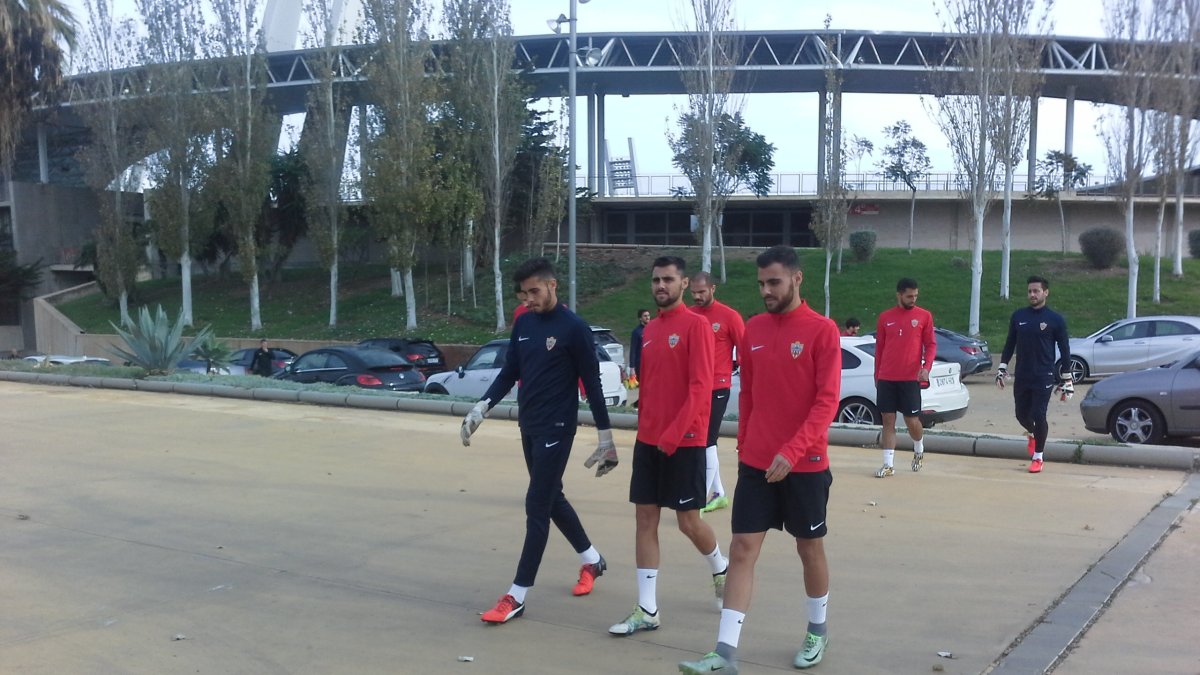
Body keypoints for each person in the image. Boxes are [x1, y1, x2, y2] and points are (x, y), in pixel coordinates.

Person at [679, 245, 840, 674]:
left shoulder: (822, 331)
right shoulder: (754, 329)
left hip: (804, 465)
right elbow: (747, 394)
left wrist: (793, 450)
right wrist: (746, 444)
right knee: (743, 548)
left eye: (774, 282)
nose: (767, 290)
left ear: (796, 279)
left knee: (809, 548)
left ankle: (817, 631)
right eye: (762, 284)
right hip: (757, 464)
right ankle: (725, 652)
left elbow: (826, 403)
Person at [459, 257, 620, 625]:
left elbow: (591, 384)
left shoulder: (574, 328)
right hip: (529, 425)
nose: (528, 299)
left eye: (534, 291)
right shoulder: (524, 322)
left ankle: (516, 595)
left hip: (558, 427)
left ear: (552, 286)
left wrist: (605, 435)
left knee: (536, 504)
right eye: (523, 293)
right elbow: (510, 370)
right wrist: (482, 406)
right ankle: (593, 561)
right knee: (551, 498)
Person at [608, 255, 728, 637]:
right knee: (645, 519)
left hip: (684, 442)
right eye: (656, 280)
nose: (661, 286)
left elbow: (700, 388)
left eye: (668, 280)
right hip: (648, 441)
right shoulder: (649, 331)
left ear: (683, 283)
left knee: (688, 522)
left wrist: (674, 434)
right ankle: (647, 608)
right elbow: (649, 386)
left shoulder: (696, 326)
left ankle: (720, 568)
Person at [996, 275, 1072, 474]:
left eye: (1036, 291)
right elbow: (1009, 343)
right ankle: (1032, 433)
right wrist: (1002, 367)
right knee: (1021, 415)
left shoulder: (1055, 320)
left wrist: (1067, 378)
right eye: (1030, 291)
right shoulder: (1019, 316)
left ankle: (1038, 457)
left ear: (1045, 292)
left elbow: (1065, 350)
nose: (1032, 294)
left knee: (1039, 414)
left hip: (1044, 375)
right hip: (1022, 374)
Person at [688, 271, 745, 514]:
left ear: (713, 289)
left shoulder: (730, 316)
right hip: (693, 388)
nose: (698, 297)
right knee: (698, 441)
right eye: (693, 293)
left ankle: (699, 497)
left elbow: (745, 352)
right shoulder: (689, 315)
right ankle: (719, 493)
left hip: (718, 387)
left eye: (702, 292)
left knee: (706, 441)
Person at [872, 278, 936, 477]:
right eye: (909, 296)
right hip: (887, 377)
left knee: (911, 420)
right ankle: (888, 464)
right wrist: (877, 375)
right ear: (899, 295)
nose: (913, 299)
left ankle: (918, 449)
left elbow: (931, 345)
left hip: (910, 378)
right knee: (887, 420)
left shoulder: (924, 316)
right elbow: (880, 348)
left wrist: (927, 367)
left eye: (916, 296)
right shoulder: (885, 317)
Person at [627, 308, 650, 380]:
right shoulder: (636, 332)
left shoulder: (653, 329)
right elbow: (633, 350)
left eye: (648, 315)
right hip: (641, 364)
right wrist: (632, 368)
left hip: (652, 362)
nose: (647, 317)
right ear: (640, 318)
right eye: (645, 316)